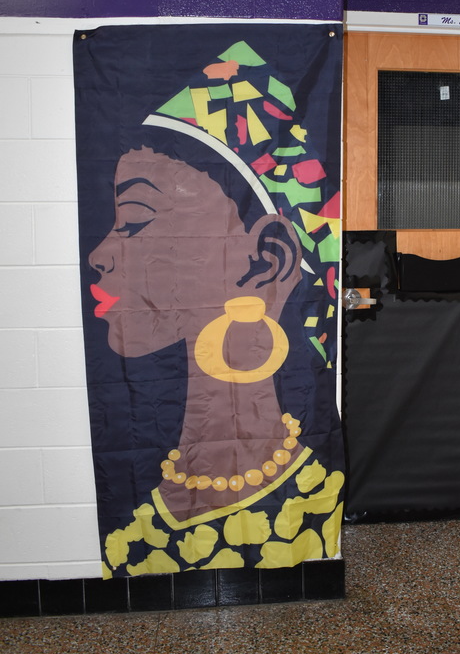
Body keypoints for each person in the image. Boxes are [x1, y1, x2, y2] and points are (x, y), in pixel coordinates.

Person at [80, 31, 344, 578]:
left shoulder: (313, 504)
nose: (100, 254)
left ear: (265, 260)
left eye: (134, 221)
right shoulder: (136, 533)